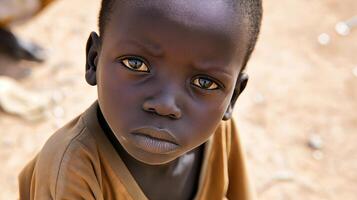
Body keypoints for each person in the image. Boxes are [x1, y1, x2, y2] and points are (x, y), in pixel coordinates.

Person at [18, 0, 263, 199]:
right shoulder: (72, 167)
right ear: (94, 60)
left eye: (204, 83)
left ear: (233, 97)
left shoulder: (219, 133)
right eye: (136, 64)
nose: (165, 104)